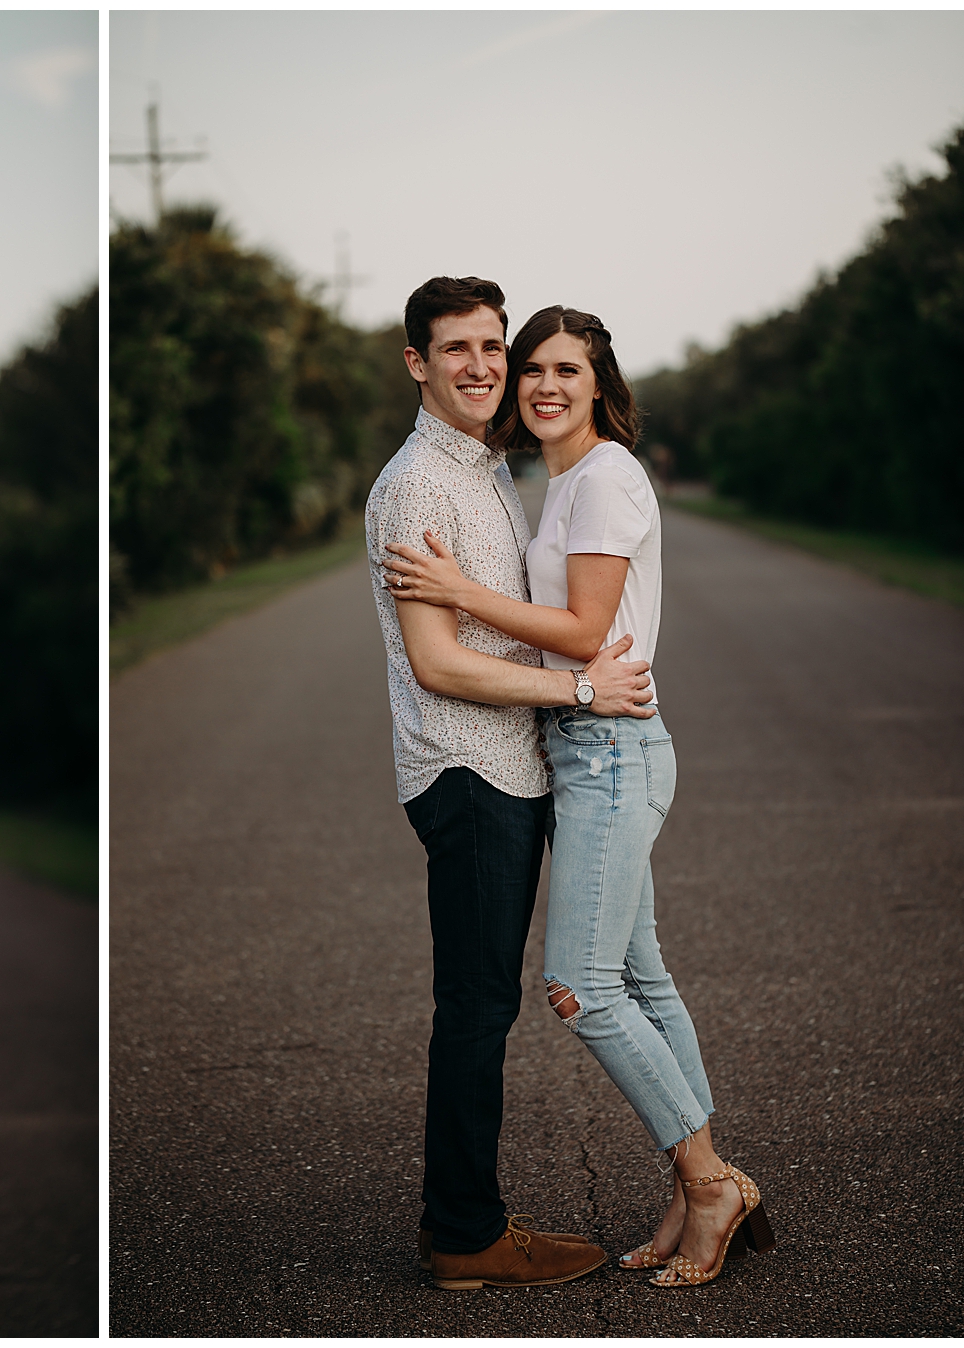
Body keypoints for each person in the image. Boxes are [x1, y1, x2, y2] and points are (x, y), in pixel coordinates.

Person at [381, 304, 777, 1288]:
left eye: (568, 369)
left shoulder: (602, 481)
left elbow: (587, 626)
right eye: (533, 370)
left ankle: (710, 1176)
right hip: (583, 746)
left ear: (602, 384)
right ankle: (693, 1189)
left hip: (607, 749)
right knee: (639, 975)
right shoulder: (555, 483)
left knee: (581, 984)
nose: (544, 384)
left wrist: (461, 594)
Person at [364, 277, 659, 1291]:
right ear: (417, 362)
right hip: (469, 770)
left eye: (496, 345)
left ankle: (463, 1215)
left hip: (507, 768)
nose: (484, 366)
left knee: (487, 1000)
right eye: (460, 349)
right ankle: (466, 1233)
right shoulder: (418, 486)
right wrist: (577, 683)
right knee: (478, 1004)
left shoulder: (484, 467)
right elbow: (439, 663)